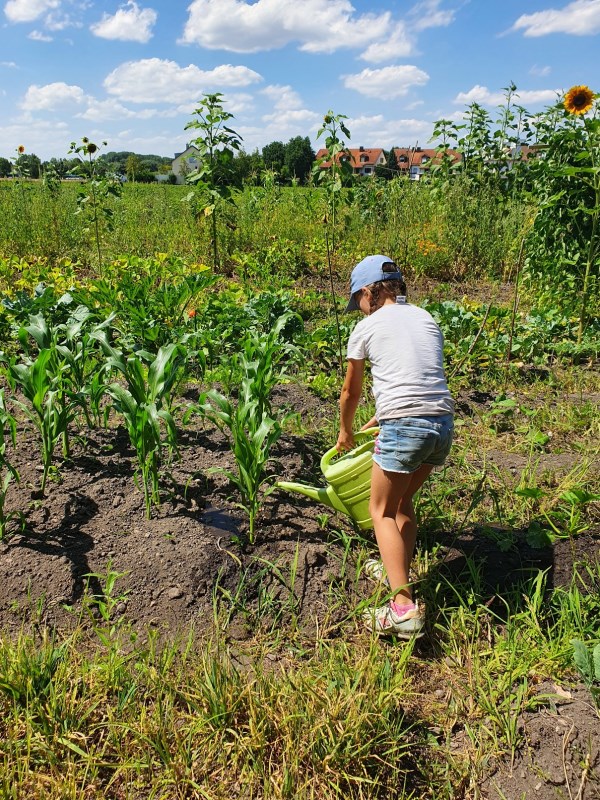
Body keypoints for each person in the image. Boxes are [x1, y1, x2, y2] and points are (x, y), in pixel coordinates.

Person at [336, 255, 454, 638]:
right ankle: (398, 571)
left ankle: (402, 608)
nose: (360, 310)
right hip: (441, 426)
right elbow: (416, 376)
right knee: (403, 504)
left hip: (406, 427)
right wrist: (386, 415)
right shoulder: (425, 318)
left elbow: (350, 391)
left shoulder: (367, 328)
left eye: (359, 301)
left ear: (370, 292)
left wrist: (346, 431)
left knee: (380, 511)